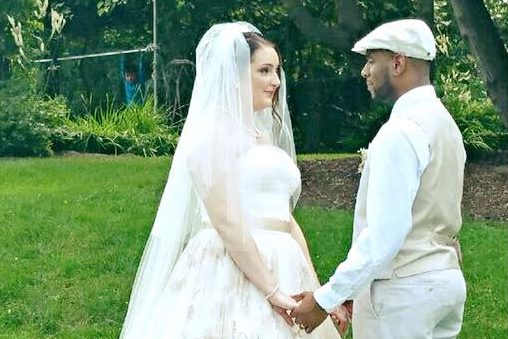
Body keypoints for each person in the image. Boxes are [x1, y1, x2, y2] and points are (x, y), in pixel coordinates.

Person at [119, 22, 339, 338]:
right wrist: (272, 291)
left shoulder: (262, 134)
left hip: (285, 260)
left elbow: (286, 220)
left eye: (277, 71)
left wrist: (317, 293)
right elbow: (227, 221)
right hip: (230, 265)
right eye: (264, 71)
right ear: (235, 74)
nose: (276, 81)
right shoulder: (211, 133)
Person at [291, 18, 467, 339]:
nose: (365, 71)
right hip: (445, 281)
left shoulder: (400, 131)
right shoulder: (445, 123)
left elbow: (385, 234)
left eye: (372, 60)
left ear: (398, 62)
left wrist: (325, 298)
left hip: (403, 291)